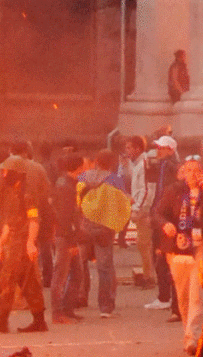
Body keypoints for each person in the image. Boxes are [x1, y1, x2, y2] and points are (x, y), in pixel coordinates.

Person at [154, 158, 203, 354]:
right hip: (178, 247)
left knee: (197, 294)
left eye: (197, 170)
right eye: (189, 170)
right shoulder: (174, 191)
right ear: (183, 173)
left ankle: (192, 338)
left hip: (201, 246)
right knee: (182, 295)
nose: (193, 174)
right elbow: (158, 212)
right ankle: (189, 330)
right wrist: (165, 224)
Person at [0, 141, 52, 333]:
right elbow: (8, 222)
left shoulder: (26, 195)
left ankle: (2, 321)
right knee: (29, 282)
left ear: (17, 174)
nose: (3, 174)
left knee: (7, 280)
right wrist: (1, 242)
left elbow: (34, 219)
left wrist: (30, 243)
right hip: (13, 239)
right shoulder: (12, 193)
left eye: (6, 172)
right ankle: (39, 321)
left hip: (21, 243)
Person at [78, 149, 131, 318]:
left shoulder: (82, 177)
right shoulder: (115, 180)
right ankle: (106, 306)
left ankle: (81, 296)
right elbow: (123, 203)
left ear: (96, 161)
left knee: (80, 264)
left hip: (84, 226)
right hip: (104, 228)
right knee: (105, 267)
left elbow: (76, 201)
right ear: (112, 163)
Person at [146, 135, 181, 317]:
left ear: (170, 150)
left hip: (166, 219)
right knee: (159, 256)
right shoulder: (161, 167)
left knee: (163, 258)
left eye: (162, 148)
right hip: (161, 215)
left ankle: (165, 296)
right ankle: (164, 295)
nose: (158, 151)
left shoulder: (172, 167)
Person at [51, 154, 86, 324]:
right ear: (79, 167)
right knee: (61, 275)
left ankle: (67, 308)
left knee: (76, 273)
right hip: (66, 236)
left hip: (67, 235)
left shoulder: (66, 183)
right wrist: (72, 241)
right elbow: (66, 217)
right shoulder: (67, 187)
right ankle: (58, 312)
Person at [125, 136, 155, 289]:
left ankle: (149, 276)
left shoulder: (143, 164)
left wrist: (139, 208)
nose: (127, 151)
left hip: (143, 210)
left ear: (138, 148)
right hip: (140, 207)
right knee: (143, 245)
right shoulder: (136, 164)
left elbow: (146, 189)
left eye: (129, 148)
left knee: (144, 244)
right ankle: (148, 273)